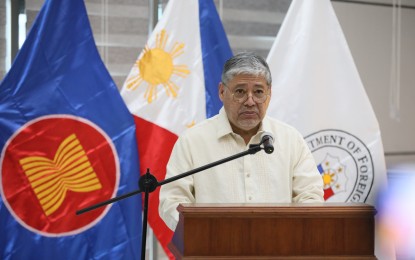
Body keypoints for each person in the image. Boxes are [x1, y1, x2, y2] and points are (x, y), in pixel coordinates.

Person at [159, 52, 324, 231]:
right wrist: (202, 234)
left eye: (259, 92)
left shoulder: (291, 140)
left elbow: (311, 197)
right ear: (222, 92)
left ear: (269, 94)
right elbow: (172, 202)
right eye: (240, 92)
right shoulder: (192, 141)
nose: (250, 101)